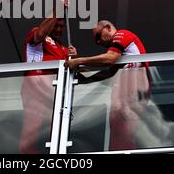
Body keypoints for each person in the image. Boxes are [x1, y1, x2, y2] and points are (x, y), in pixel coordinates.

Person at [64, 20, 150, 151]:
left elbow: (110, 58)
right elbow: (108, 73)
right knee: (119, 127)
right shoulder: (122, 55)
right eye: (96, 41)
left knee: (123, 122)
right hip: (131, 85)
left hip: (133, 82)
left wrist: (80, 61)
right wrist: (83, 77)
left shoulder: (122, 34)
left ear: (108, 28)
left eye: (98, 36)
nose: (99, 42)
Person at [19, 0, 77, 154]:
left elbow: (72, 71)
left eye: (61, 26)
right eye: (56, 25)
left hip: (54, 95)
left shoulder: (63, 49)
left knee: (55, 136)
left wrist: (75, 59)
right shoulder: (38, 36)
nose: (58, 29)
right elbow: (41, 33)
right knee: (31, 133)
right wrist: (59, 8)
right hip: (36, 89)